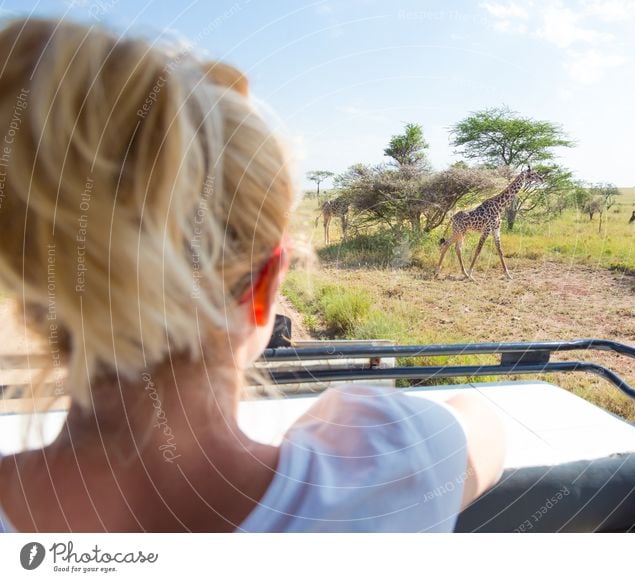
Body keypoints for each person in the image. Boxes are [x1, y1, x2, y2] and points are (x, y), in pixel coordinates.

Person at [0, 18, 505, 532]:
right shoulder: (390, 469)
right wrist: (348, 421)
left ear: (31, 297)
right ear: (264, 288)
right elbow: (484, 428)